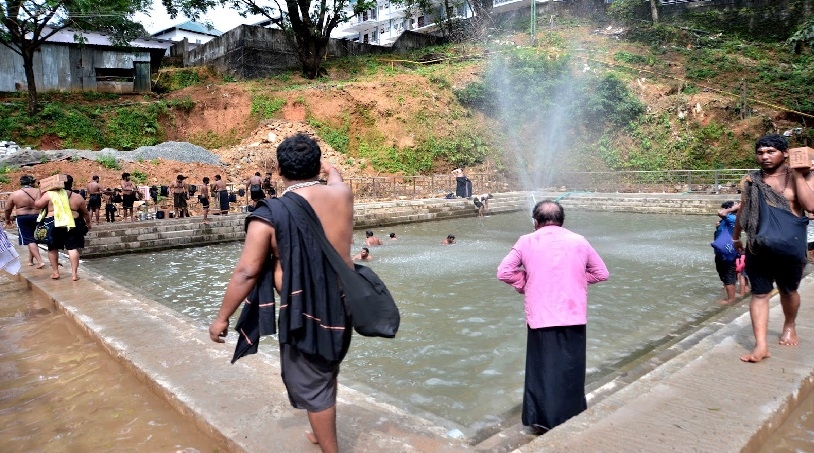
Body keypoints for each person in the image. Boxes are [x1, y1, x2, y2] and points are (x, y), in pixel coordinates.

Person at [209, 134, 354, 453]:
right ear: (318, 166)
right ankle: (320, 429)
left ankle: (330, 449)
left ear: (277, 169)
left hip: (306, 311)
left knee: (313, 384)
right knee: (326, 368)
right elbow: (337, 177)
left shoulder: (270, 214)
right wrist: (327, 168)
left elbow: (247, 272)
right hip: (344, 302)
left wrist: (222, 318)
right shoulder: (342, 195)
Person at [497, 200, 609, 433]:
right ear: (562, 221)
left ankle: (541, 420)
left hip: (541, 315)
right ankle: (572, 415)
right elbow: (601, 273)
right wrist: (575, 279)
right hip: (573, 314)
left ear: (536, 222)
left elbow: (504, 272)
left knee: (542, 369)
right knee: (571, 368)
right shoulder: (579, 240)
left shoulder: (526, 241)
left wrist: (526, 282)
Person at [733, 134, 814, 363]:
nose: (765, 157)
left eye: (771, 152)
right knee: (759, 293)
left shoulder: (805, 175)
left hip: (791, 246)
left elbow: (810, 205)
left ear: (785, 153)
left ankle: (789, 325)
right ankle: (761, 346)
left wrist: (798, 174)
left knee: (789, 291)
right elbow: (744, 209)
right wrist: (736, 236)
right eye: (760, 152)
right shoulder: (752, 180)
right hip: (758, 246)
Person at [34, 175, 91, 281]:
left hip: (54, 223)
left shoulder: (50, 194)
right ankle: (74, 274)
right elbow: (85, 213)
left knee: (53, 248)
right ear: (71, 184)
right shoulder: (77, 197)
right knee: (72, 248)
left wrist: (40, 190)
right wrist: (88, 224)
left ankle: (55, 272)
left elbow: (37, 205)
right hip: (72, 223)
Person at [3, 175, 45, 268]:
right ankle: (30, 260)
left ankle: (40, 261)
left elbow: (7, 209)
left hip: (23, 217)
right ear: (32, 183)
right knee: (34, 238)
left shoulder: (15, 194)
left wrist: (7, 219)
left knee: (29, 239)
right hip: (38, 216)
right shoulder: (39, 192)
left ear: (21, 183)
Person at [714, 200, 740, 305]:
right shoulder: (727, 220)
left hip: (727, 251)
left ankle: (731, 299)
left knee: (728, 272)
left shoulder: (733, 218)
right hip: (723, 251)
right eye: (735, 203)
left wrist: (734, 208)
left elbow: (721, 213)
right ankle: (731, 294)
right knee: (725, 272)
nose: (737, 204)